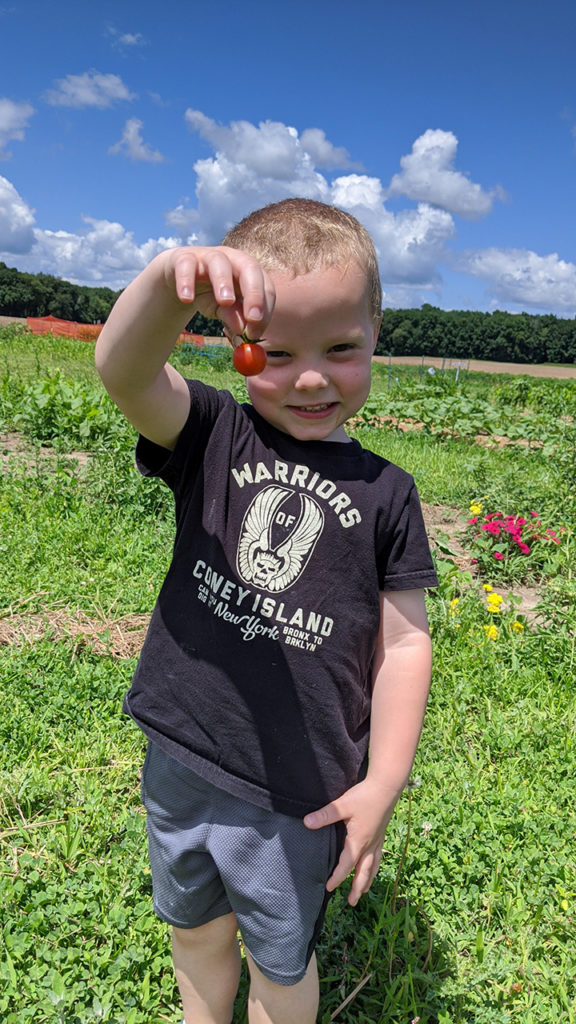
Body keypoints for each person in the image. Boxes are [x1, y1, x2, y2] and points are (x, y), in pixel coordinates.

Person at [95, 198, 437, 1024]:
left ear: (375, 334)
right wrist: (169, 285)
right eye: (276, 353)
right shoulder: (213, 433)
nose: (311, 377)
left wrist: (383, 782)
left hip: (297, 791)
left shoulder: (388, 494)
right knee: (195, 931)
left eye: (341, 349)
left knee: (282, 967)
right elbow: (123, 371)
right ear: (238, 345)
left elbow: (403, 646)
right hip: (181, 756)